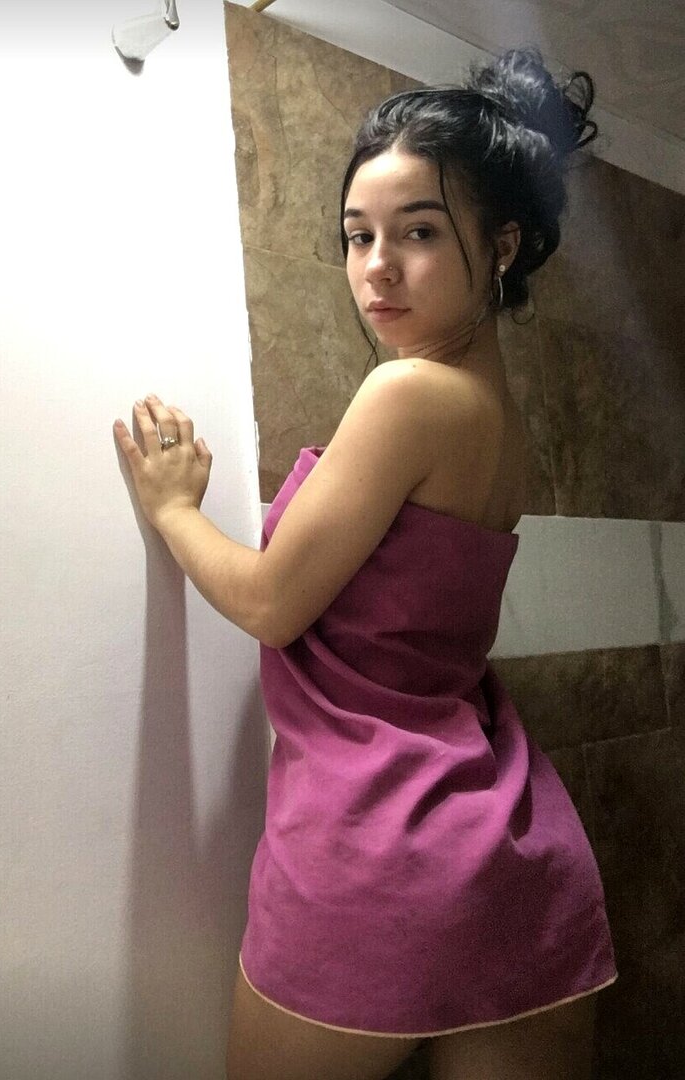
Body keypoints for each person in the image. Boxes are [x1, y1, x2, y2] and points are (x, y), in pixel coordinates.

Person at [113, 45, 617, 1080]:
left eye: (418, 232)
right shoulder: (497, 421)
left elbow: (271, 603)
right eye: (357, 235)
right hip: (511, 845)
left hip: (377, 855)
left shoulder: (407, 393)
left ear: (502, 245)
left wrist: (172, 509)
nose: (376, 266)